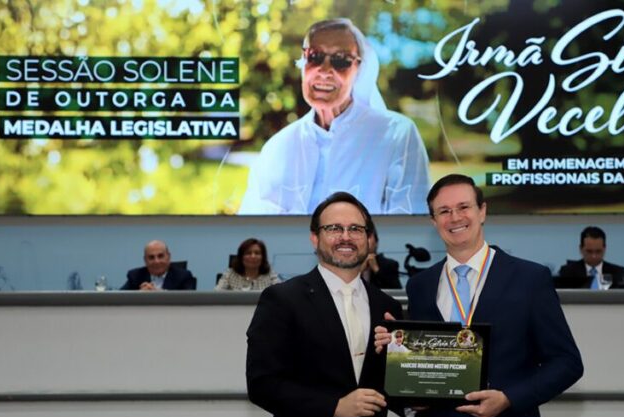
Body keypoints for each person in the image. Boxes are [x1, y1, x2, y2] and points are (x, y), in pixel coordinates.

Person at [375, 174, 583, 417]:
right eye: (444, 211)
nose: (455, 218)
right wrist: (399, 371)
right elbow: (420, 365)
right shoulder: (420, 285)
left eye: (463, 207)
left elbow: (567, 362)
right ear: (433, 221)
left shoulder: (530, 278)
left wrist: (508, 398)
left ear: (482, 211)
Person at [245, 192, 403, 417]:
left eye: (356, 229)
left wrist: (418, 401)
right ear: (314, 238)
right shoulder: (281, 300)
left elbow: (389, 385)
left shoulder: (388, 306)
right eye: (334, 228)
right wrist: (335, 406)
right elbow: (263, 384)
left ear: (369, 240)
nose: (346, 237)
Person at [239, 18, 430, 215]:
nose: (324, 71)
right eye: (315, 56)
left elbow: (409, 230)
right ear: (303, 63)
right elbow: (251, 232)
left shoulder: (397, 136)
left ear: (359, 70)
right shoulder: (277, 147)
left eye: (341, 60)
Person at [559, 226, 624, 288]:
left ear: (605, 249)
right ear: (581, 249)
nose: (594, 256)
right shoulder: (567, 272)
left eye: (598, 251)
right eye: (589, 251)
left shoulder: (619, 273)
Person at [121, 240, 196, 291]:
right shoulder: (135, 276)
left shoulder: (184, 276)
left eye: (160, 256)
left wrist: (158, 293)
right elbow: (119, 297)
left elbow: (189, 300)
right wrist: (138, 295)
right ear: (145, 260)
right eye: (151, 257)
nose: (156, 261)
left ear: (168, 257)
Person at [215, 238, 280, 291]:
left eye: (257, 253)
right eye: (248, 253)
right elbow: (216, 296)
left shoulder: (270, 274)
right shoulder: (229, 274)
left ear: (263, 257)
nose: (253, 256)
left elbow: (281, 295)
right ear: (241, 257)